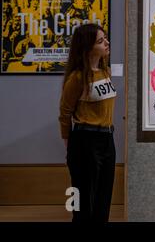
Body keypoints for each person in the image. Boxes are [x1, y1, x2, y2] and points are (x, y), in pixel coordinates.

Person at [59, 23, 116, 222]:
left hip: (107, 139)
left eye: (105, 38)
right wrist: (69, 144)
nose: (107, 43)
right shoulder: (76, 78)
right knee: (82, 204)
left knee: (103, 200)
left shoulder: (106, 71)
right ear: (88, 47)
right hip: (85, 140)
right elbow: (65, 113)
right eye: (101, 41)